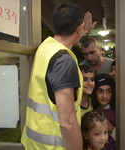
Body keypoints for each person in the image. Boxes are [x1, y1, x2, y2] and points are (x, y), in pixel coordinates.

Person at [21, 2, 97, 150]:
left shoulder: (46, 47)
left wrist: (83, 31)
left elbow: (69, 38)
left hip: (33, 144)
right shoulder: (64, 61)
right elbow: (67, 123)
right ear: (78, 28)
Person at [92, 74, 116, 150]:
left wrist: (108, 125)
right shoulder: (92, 109)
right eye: (100, 91)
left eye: (108, 91)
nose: (104, 96)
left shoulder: (117, 112)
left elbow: (124, 138)